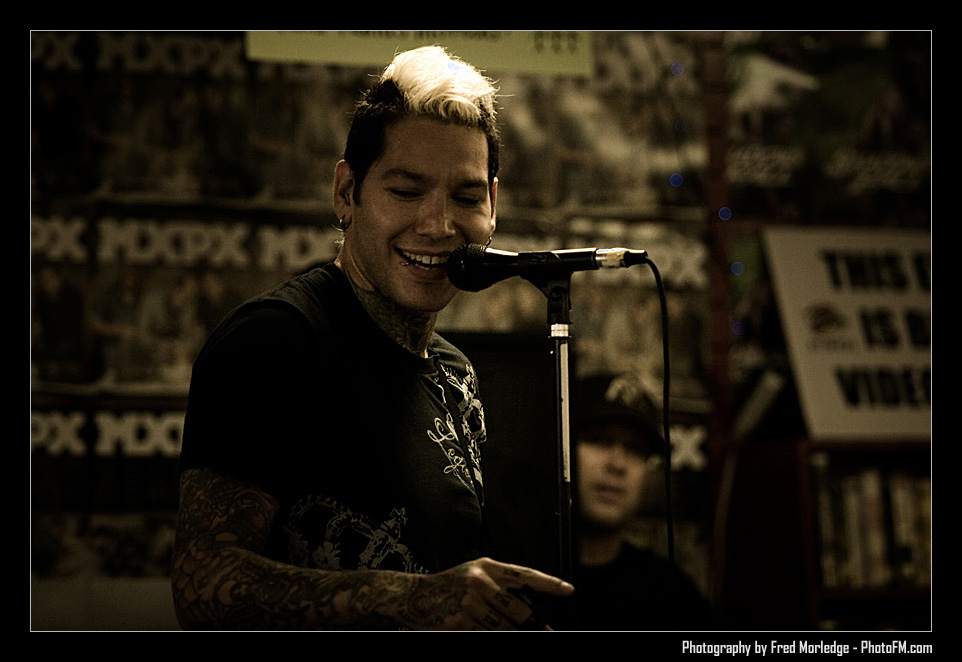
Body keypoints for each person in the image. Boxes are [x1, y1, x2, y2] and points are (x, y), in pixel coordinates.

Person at [171, 45, 573, 631]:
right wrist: (408, 598)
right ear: (346, 193)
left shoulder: (454, 374)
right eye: (406, 192)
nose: (437, 226)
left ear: (492, 206)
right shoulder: (274, 343)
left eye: (464, 197)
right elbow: (202, 585)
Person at [570, 374, 713, 630]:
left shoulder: (673, 596)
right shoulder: (512, 580)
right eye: (599, 439)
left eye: (635, 449)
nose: (617, 464)